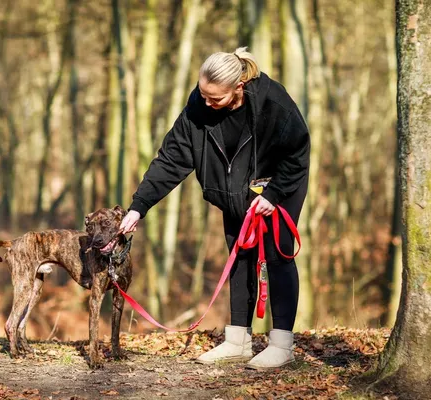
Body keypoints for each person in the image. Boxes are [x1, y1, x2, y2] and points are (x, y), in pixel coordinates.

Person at [119, 47, 310, 369]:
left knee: (277, 257)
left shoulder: (272, 103)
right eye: (203, 94)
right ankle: (238, 340)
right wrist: (139, 207)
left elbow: (297, 152)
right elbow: (172, 158)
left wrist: (273, 194)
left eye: (215, 99)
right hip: (234, 191)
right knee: (238, 254)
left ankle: (282, 343)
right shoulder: (199, 106)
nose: (207, 103)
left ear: (239, 87)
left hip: (278, 186)